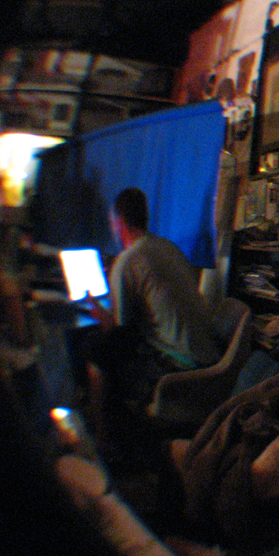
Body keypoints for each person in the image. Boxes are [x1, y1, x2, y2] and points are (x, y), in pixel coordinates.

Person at [85, 187, 220, 446]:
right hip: (211, 360)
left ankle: (103, 437)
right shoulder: (168, 247)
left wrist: (98, 312)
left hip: (179, 367)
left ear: (119, 222)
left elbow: (118, 330)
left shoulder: (127, 260)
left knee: (98, 349)